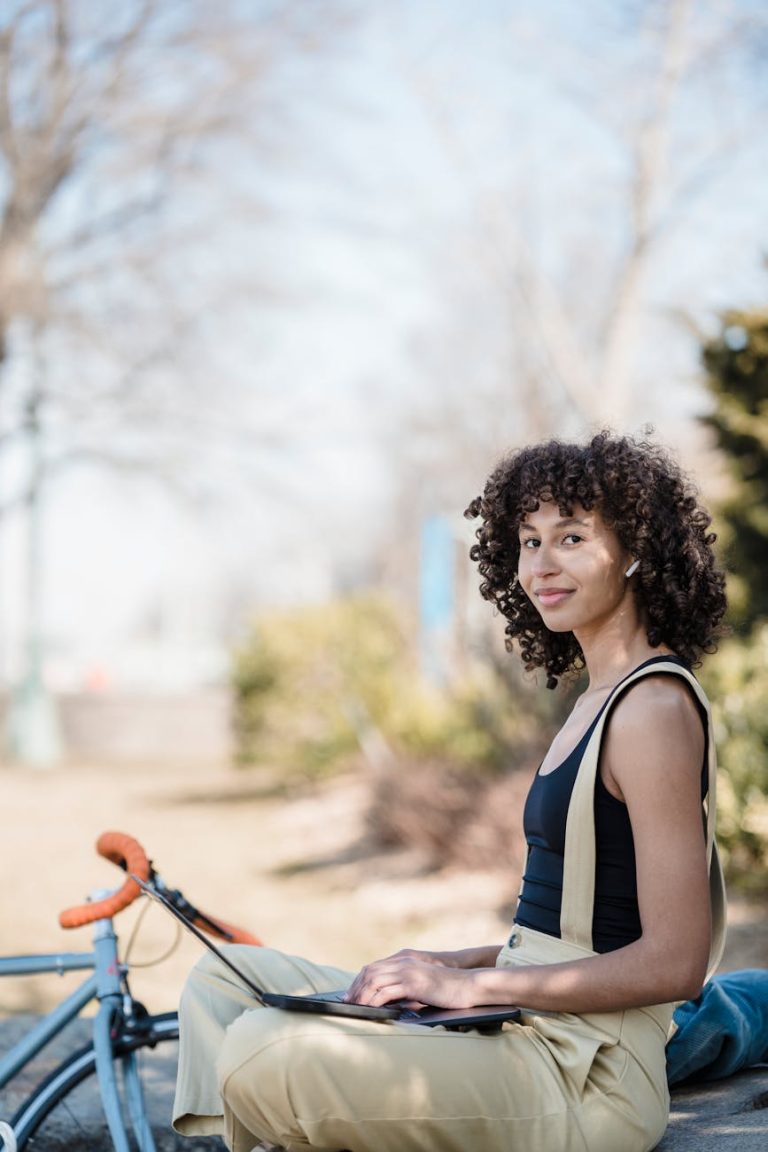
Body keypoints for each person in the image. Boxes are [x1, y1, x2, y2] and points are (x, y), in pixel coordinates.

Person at [172, 430, 728, 1152]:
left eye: (570, 537)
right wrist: (447, 966)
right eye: (528, 541)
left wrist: (474, 992)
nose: (542, 564)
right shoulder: (597, 698)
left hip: (585, 1075)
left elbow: (676, 962)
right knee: (225, 979)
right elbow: (568, 941)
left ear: (633, 549)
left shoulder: (650, 710)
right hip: (524, 1027)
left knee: (260, 1050)